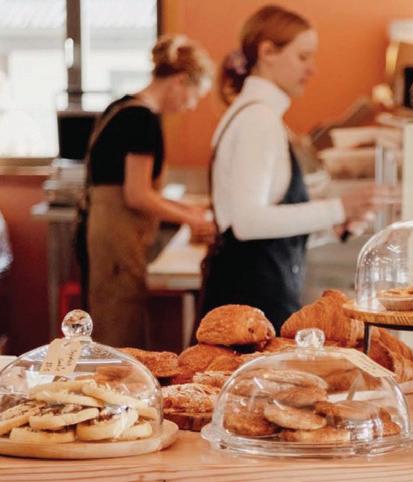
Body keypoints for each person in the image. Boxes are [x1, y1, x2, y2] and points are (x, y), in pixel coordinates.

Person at [199, 5, 387, 331]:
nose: (312, 69)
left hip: (253, 297)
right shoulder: (258, 120)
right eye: (303, 57)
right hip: (249, 305)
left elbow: (267, 236)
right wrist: (338, 208)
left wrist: (333, 226)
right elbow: (247, 223)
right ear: (267, 53)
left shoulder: (257, 115)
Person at [85, 34, 216, 348]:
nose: (190, 106)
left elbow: (130, 188)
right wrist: (191, 219)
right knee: (119, 334)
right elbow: (137, 194)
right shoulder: (141, 119)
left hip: (106, 234)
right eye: (193, 96)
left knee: (113, 323)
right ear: (179, 81)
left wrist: (187, 209)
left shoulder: (122, 106)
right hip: (116, 241)